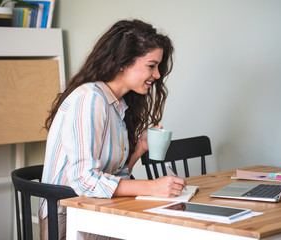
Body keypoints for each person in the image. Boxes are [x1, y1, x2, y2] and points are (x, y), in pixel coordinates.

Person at [39, 19, 186, 240]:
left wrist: (138, 150)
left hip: (94, 208)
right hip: (68, 218)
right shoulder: (90, 98)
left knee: (171, 221)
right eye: (151, 66)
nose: (156, 75)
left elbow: (111, 179)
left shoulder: (117, 106)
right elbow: (85, 180)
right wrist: (151, 188)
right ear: (122, 62)